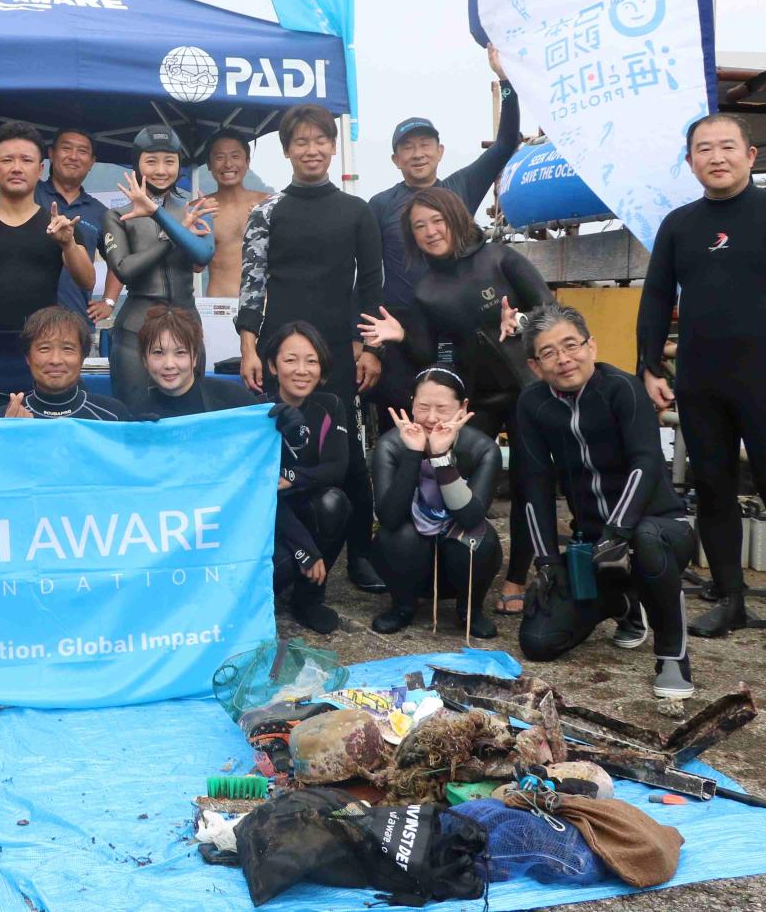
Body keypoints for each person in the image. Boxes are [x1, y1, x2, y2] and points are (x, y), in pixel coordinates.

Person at [637, 113, 766, 655]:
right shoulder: (679, 223)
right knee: (713, 490)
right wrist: (650, 366)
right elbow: (655, 299)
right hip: (701, 380)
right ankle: (730, 599)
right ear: (690, 160)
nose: (715, 157)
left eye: (727, 147)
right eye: (703, 149)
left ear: (752, 154)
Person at [358, 185, 553, 613]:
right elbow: (432, 355)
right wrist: (402, 337)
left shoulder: (500, 259)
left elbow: (550, 310)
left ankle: (518, 576)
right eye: (419, 226)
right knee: (452, 479)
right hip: (476, 400)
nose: (430, 231)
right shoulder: (426, 288)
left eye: (437, 221)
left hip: (527, 390)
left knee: (529, 484)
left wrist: (520, 320)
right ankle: (448, 570)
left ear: (456, 218)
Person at [515, 303, 697, 699]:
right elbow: (534, 484)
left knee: (646, 539)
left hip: (662, 528)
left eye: (571, 345)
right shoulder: (532, 405)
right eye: (549, 353)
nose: (564, 360)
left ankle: (672, 654)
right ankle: (625, 603)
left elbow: (646, 464)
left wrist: (617, 533)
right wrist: (547, 561)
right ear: (535, 365)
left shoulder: (622, 388)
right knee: (539, 641)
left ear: (591, 346)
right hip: (596, 548)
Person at [236, 103, 382, 590]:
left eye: (320, 140)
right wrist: (250, 346)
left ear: (333, 146)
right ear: (287, 150)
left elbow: (371, 286)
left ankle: (360, 554)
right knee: (274, 450)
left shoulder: (358, 212)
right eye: (301, 141)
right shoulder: (266, 212)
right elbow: (252, 283)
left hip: (338, 350)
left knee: (352, 456)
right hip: (282, 353)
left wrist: (368, 347)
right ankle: (270, 553)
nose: (312, 149)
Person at [365, 48, 519, 413]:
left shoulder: (461, 186)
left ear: (440, 150)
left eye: (424, 145)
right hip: (401, 328)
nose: (417, 154)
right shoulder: (380, 204)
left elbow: (505, 145)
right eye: (407, 148)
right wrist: (369, 346)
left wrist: (507, 83)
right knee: (403, 416)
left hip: (457, 325)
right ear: (395, 160)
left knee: (457, 416)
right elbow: (369, 275)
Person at [0, 125, 95, 403]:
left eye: (26, 160)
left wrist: (67, 243)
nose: (17, 168)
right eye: (7, 160)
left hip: (44, 349)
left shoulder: (60, 225)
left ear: (40, 170)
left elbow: (86, 281)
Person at [0, 95, 107, 324]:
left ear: (92, 161)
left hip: (74, 323)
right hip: (7, 329)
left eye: (82, 151)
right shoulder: (30, 190)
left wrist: (109, 301)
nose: (73, 156)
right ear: (50, 156)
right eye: (66, 148)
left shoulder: (100, 211)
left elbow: (117, 261)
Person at [369, 367, 502, 639]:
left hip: (458, 557)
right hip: (410, 558)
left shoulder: (483, 449)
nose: (430, 418)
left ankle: (470, 610)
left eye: (441, 408)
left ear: (462, 408)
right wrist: (413, 453)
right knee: (394, 536)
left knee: (481, 540)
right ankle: (403, 605)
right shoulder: (391, 446)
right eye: (422, 407)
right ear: (411, 405)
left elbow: (471, 517)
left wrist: (441, 458)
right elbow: (390, 517)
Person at [101, 125, 216, 407]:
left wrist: (158, 215)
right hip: (134, 329)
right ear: (137, 164)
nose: (161, 170)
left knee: (191, 416)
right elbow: (125, 270)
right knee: (135, 416)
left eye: (170, 161)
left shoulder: (195, 206)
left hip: (187, 325)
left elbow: (202, 255)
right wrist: (172, 233)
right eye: (151, 161)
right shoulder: (117, 215)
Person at [261, 321, 354, 633]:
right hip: (269, 515)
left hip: (307, 503)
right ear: (273, 366)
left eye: (311, 361)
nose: (302, 370)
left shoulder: (330, 406)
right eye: (290, 360)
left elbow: (336, 468)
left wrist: (292, 476)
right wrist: (305, 548)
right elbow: (262, 492)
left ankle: (309, 598)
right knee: (283, 566)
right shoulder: (259, 411)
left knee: (335, 503)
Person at [0, 306, 132, 420]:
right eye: (44, 349)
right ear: (28, 357)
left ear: (82, 357)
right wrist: (9, 435)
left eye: (67, 349)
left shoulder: (113, 415)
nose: (55, 360)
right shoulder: (1, 419)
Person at [135, 305, 257, 419]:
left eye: (180, 353)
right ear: (144, 359)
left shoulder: (235, 401)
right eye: (158, 353)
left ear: (194, 358)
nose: (169, 364)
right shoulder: (137, 417)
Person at [203, 131, 268, 300]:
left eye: (235, 156)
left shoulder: (268, 205)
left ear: (247, 162)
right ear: (209, 164)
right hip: (218, 307)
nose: (228, 164)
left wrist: (266, 223)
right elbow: (194, 267)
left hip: (263, 306)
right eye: (219, 157)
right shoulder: (199, 209)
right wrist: (193, 225)